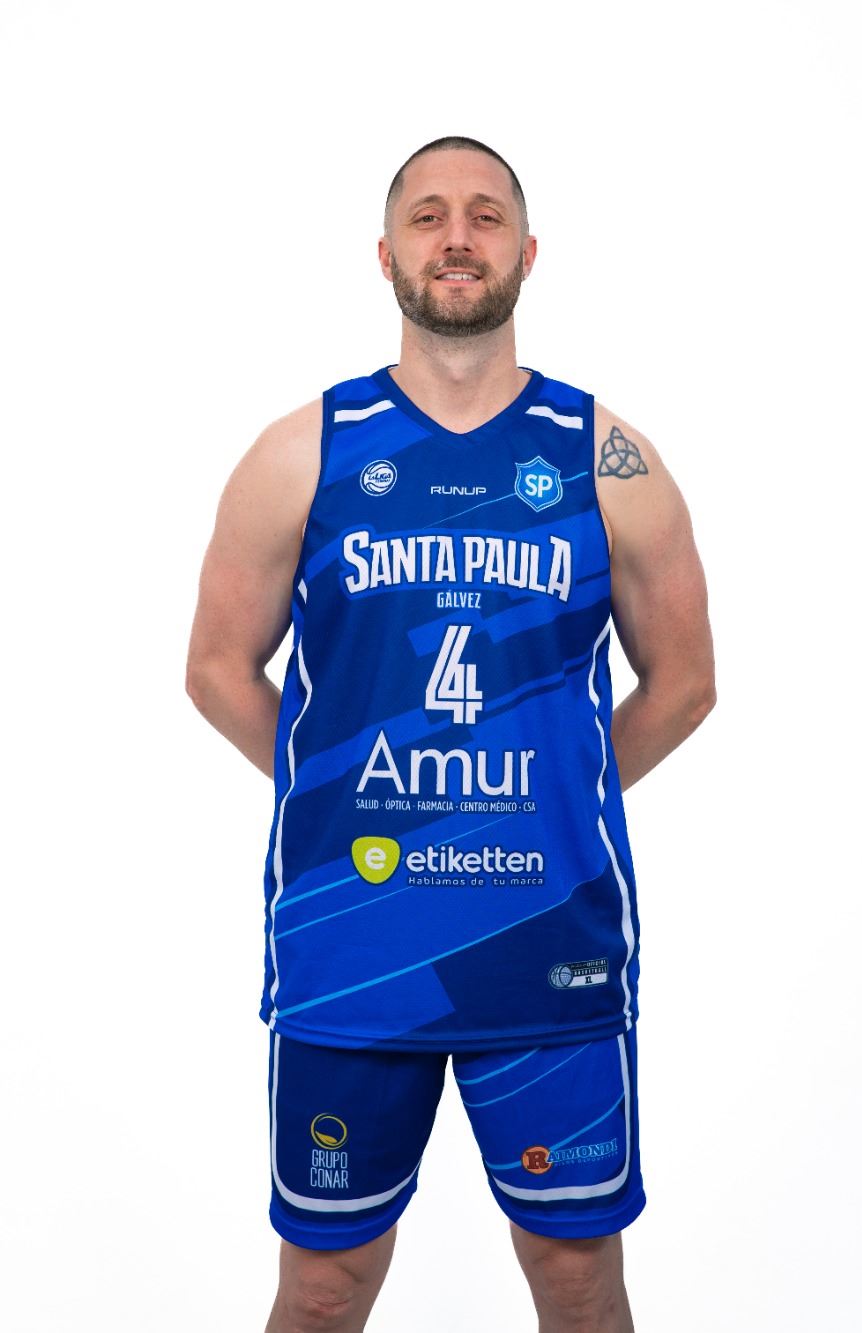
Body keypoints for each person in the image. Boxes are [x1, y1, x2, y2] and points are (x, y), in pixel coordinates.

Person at [185, 134, 716, 1333]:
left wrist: (551, 794)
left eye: (484, 215)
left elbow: (683, 683)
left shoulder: (604, 457)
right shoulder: (305, 451)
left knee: (577, 1278)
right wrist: (338, 792)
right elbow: (216, 669)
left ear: (527, 251)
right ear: (385, 255)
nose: (457, 236)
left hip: (548, 947)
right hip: (353, 948)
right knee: (324, 1287)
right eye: (427, 216)